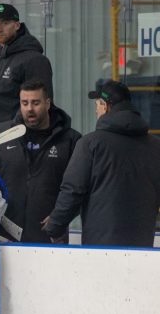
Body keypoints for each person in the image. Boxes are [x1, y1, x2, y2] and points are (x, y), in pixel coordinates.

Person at [43, 80, 160, 246]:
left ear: (105, 106)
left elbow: (73, 191)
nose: (96, 110)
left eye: (97, 104)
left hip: (100, 249)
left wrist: (54, 226)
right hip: (142, 249)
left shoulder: (91, 144)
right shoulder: (156, 147)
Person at [0, 79, 81, 243]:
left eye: (35, 103)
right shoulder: (3, 134)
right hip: (3, 236)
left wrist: (61, 216)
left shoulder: (70, 140)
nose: (29, 109)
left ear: (47, 103)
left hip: (50, 237)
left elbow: (80, 187)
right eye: (24, 103)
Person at [0, 3, 54, 128]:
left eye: (5, 23)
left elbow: (41, 105)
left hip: (16, 138)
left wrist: (10, 130)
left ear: (17, 25)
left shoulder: (34, 60)